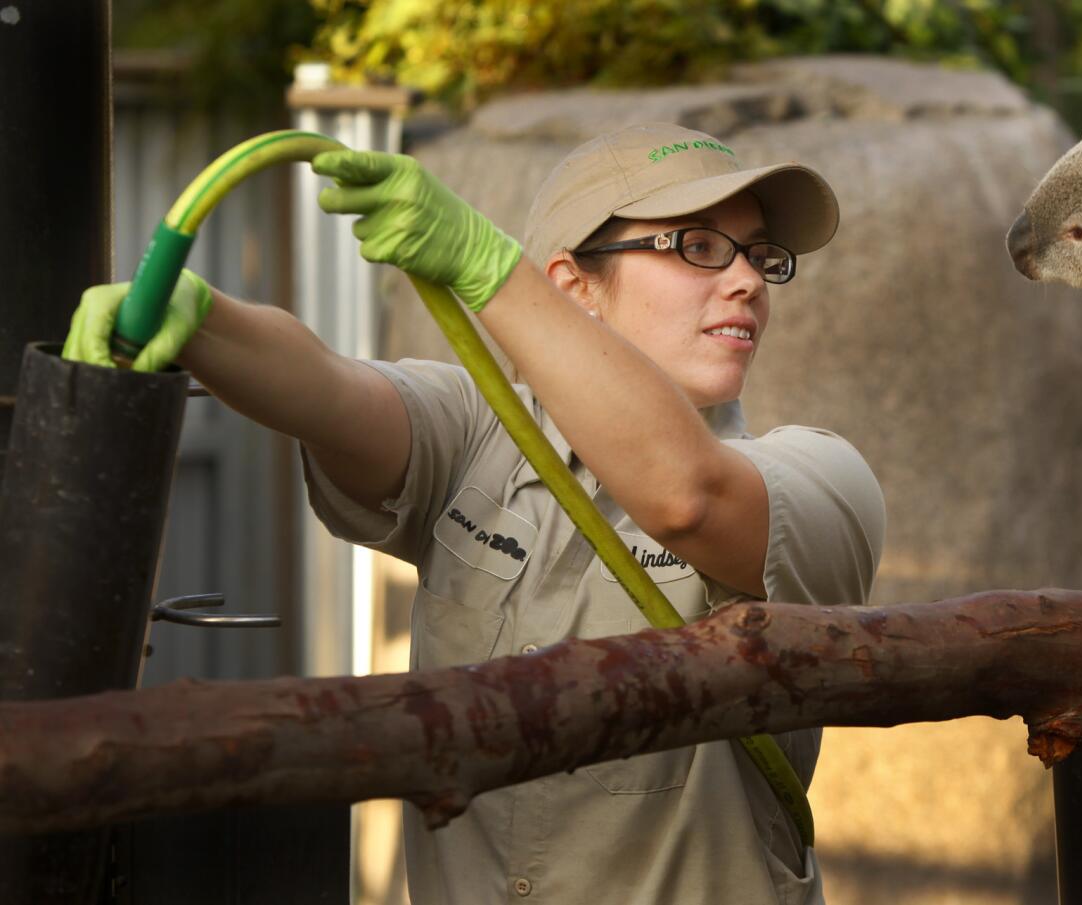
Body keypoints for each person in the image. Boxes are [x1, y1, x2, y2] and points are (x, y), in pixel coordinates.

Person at [65, 122, 885, 904]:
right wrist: (204, 320)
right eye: (698, 245)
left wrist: (481, 264)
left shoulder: (819, 477)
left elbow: (688, 496)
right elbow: (326, 385)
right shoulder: (477, 432)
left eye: (761, 255)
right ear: (572, 286)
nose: (746, 279)